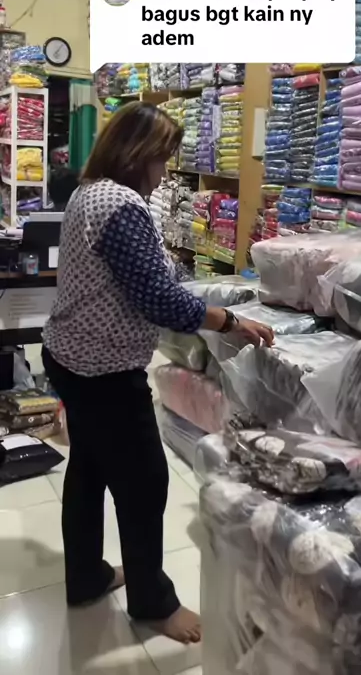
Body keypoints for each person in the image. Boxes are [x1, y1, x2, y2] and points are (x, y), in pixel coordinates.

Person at [42, 102, 274, 644]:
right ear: (138, 155)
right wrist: (229, 320)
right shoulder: (121, 205)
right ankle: (152, 603)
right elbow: (158, 300)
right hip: (102, 369)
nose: (164, 170)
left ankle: (86, 576)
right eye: (162, 158)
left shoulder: (88, 192)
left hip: (70, 355)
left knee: (89, 470)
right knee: (145, 483)